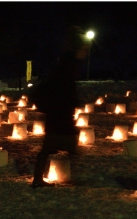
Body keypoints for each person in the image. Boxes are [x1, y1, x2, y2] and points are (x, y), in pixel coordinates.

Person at [30, 27, 88, 188]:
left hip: (59, 113)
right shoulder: (68, 65)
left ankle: (40, 178)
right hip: (59, 113)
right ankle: (39, 179)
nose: (86, 52)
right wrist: (72, 102)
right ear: (78, 49)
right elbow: (63, 89)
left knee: (54, 145)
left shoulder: (66, 63)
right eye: (84, 49)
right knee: (56, 145)